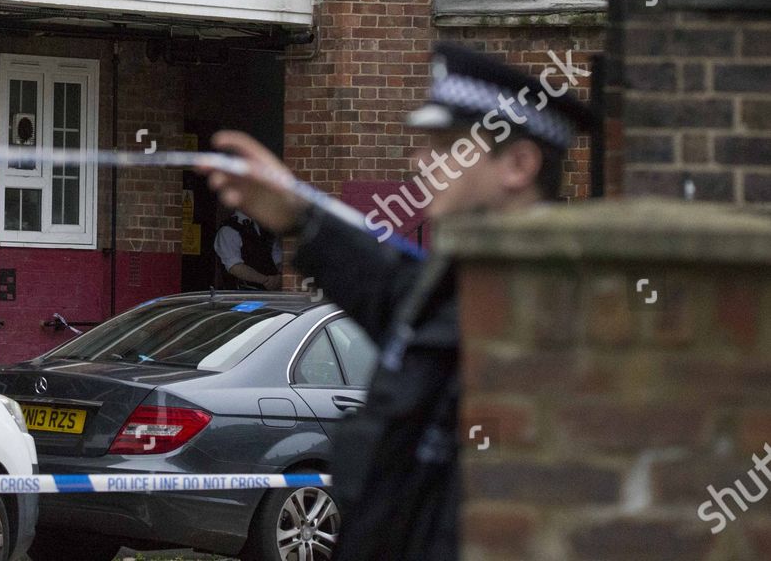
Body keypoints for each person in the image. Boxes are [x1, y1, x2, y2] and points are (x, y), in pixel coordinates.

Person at [200, 42, 590, 561]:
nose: (421, 161)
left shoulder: (557, 320)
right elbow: (384, 282)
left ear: (518, 163)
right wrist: (296, 214)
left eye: (446, 146)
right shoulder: (450, 291)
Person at [212, 210, 282, 290]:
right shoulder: (228, 230)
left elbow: (277, 257)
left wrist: (279, 276)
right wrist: (266, 281)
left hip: (271, 293)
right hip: (242, 294)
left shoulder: (265, 228)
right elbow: (234, 267)